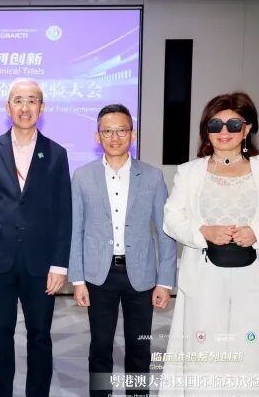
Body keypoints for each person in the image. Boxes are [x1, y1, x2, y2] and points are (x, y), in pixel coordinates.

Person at [161, 92, 259, 392]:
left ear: (247, 129)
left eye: (234, 125)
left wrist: (258, 232)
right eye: (215, 124)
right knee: (203, 356)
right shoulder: (190, 172)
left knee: (250, 356)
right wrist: (203, 232)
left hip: (255, 279)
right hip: (203, 278)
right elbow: (171, 218)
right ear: (206, 130)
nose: (224, 132)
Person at [0, 79, 72, 397]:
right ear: (7, 107)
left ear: (42, 108)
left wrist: (59, 265)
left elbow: (64, 213)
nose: (25, 107)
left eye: (32, 100)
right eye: (18, 100)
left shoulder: (56, 154)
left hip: (40, 263)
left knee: (39, 335)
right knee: (0, 335)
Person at [69, 104, 176, 397]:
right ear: (97, 136)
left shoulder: (152, 177)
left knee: (140, 348)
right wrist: (77, 280)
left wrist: (165, 281)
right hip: (98, 275)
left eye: (121, 130)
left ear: (133, 134)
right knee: (100, 348)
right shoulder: (82, 176)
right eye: (107, 131)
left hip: (141, 275)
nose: (114, 137)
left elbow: (165, 232)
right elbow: (75, 230)